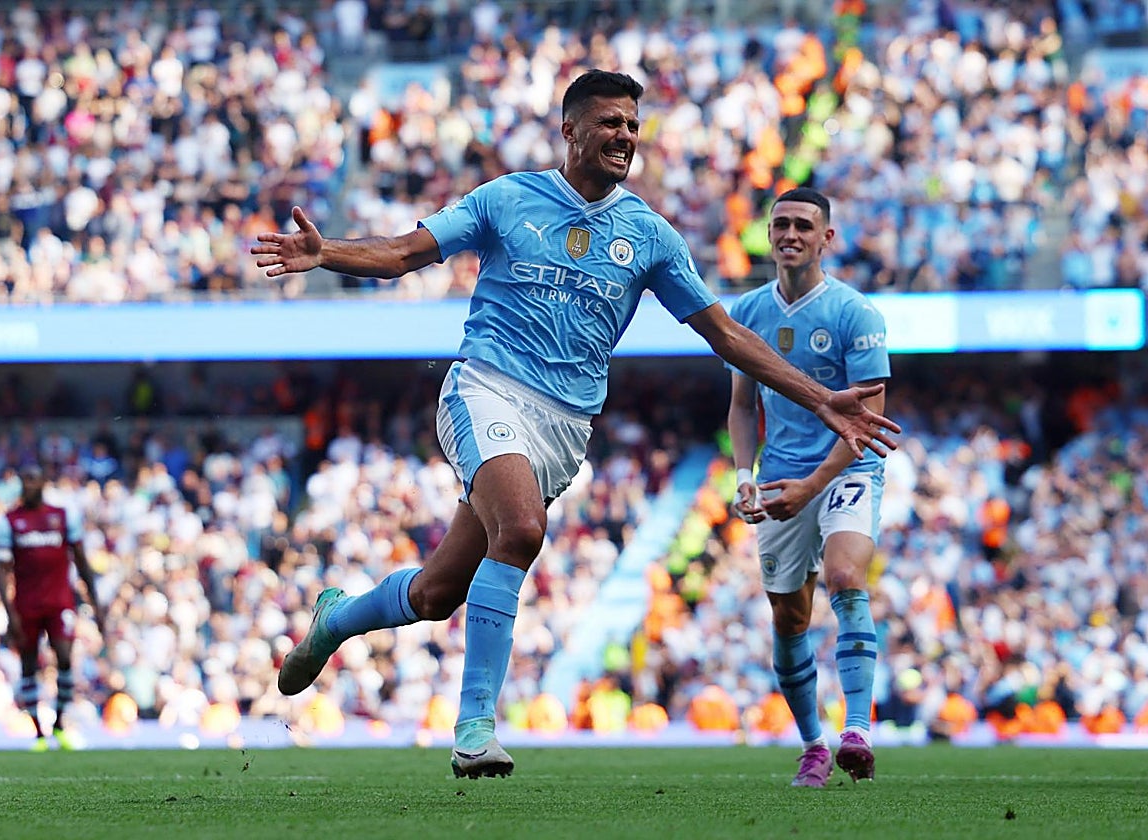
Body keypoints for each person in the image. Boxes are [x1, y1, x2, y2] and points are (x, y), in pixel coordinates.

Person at [253, 70, 900, 779]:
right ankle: (475, 729)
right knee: (522, 529)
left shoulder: (649, 235)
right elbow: (406, 252)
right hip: (486, 387)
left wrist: (819, 398)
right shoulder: (507, 198)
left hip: (565, 425)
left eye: (632, 125)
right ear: (570, 130)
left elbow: (724, 334)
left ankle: (338, 618)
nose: (625, 136)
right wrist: (327, 253)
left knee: (437, 594)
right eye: (610, 122)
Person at [726, 187, 889, 787]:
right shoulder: (747, 312)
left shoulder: (855, 314)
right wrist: (745, 476)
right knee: (789, 617)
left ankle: (857, 731)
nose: (790, 234)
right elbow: (742, 406)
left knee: (845, 576)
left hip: (848, 468)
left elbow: (868, 423)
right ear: (769, 236)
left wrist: (813, 485)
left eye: (802, 225)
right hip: (779, 474)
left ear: (827, 239)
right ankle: (813, 745)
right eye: (780, 225)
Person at [0, 465, 105, 751]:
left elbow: (81, 561)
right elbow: (2, 571)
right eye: (25, 480)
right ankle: (39, 733)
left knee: (65, 657)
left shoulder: (63, 516)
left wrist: (95, 604)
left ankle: (59, 724)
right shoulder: (9, 521)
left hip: (59, 602)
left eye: (33, 479)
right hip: (26, 604)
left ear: (43, 482)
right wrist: (9, 612)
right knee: (29, 664)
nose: (29, 485)